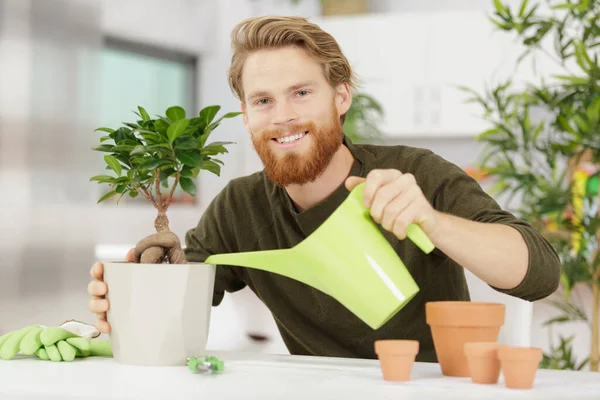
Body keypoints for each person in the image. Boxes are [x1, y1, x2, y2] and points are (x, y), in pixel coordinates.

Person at [87, 15, 561, 362]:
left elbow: (540, 274)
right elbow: (180, 299)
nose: (283, 116)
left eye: (302, 93)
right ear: (247, 114)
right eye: (263, 101)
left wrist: (432, 222)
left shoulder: (413, 174)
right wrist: (133, 290)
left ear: (340, 97)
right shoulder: (241, 207)